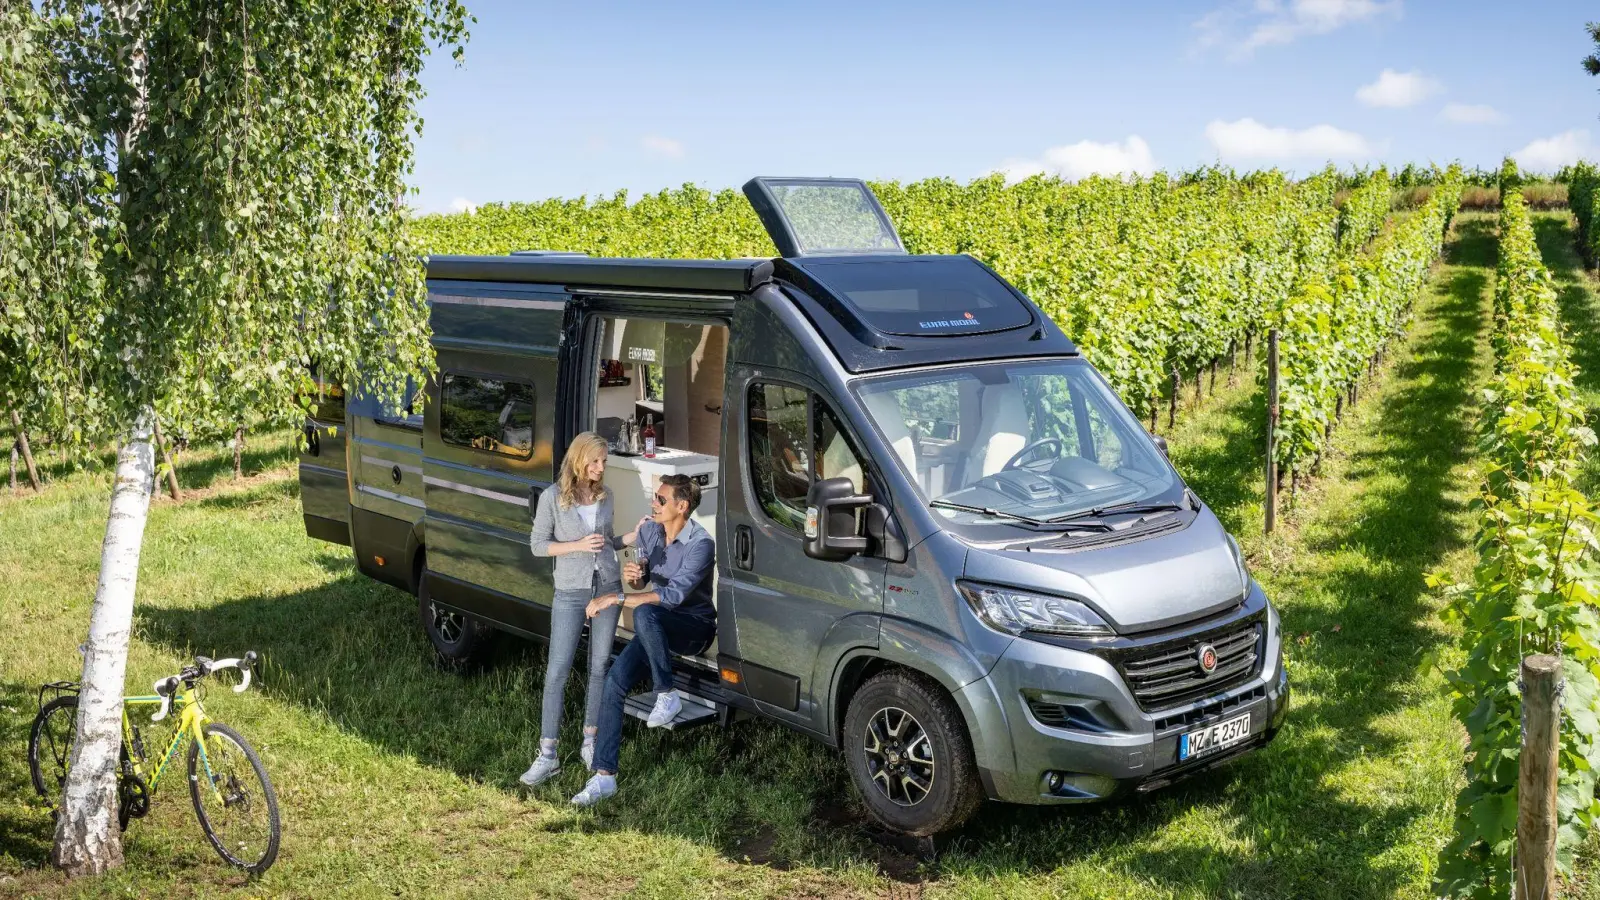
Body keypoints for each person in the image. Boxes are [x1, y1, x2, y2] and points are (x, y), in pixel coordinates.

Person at [570, 473, 716, 807]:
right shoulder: (650, 530)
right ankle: (604, 776)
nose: (653, 503)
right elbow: (643, 584)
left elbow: (672, 597)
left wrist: (616, 598)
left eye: (660, 499)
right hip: (656, 624)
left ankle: (667, 693)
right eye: (654, 496)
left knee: (648, 614)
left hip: (693, 627)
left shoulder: (701, 545)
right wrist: (634, 578)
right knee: (614, 682)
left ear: (681, 506)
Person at [520, 432, 645, 787]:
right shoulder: (552, 498)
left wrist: (628, 539)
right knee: (557, 670)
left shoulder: (606, 497)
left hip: (606, 587)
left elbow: (605, 543)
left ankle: (590, 741)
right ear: (578, 460)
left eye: (603, 462)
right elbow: (538, 546)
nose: (600, 468)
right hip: (571, 591)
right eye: (595, 461)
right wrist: (576, 544)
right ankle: (548, 754)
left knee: (599, 667)